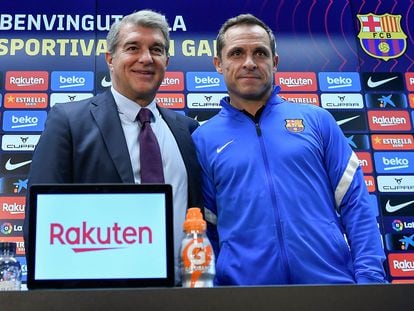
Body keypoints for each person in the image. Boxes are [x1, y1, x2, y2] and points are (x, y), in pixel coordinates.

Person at [191, 14, 387, 285]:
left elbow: (357, 207)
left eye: (260, 52)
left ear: (275, 61)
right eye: (236, 53)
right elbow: (206, 230)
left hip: (331, 289)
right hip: (244, 298)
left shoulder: (317, 121)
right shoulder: (202, 139)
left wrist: (370, 282)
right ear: (218, 64)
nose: (249, 63)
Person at [24, 10, 202, 283]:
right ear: (110, 59)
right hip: (97, 296)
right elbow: (41, 225)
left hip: (180, 294)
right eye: (133, 48)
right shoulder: (69, 122)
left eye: (156, 49)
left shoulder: (187, 130)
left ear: (166, 61)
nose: (146, 58)